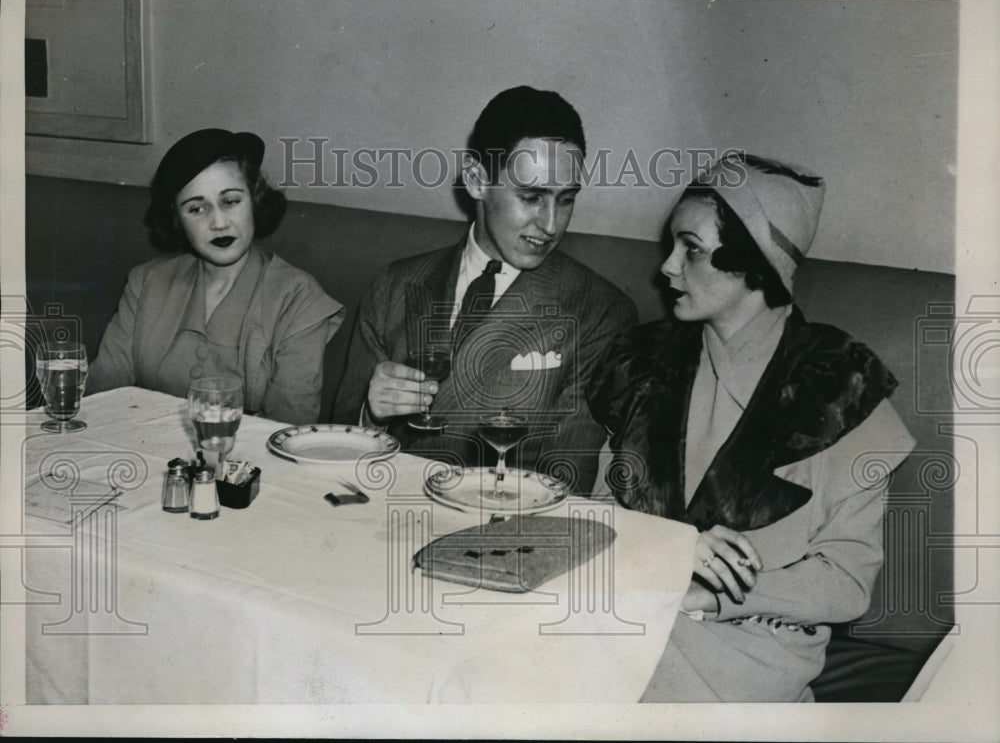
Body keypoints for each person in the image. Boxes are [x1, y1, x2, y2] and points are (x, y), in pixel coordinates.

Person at [587, 153, 915, 701]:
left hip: (749, 649)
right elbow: (598, 514)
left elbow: (847, 581)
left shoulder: (843, 386)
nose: (667, 266)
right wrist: (663, 558)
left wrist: (707, 597)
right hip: (623, 616)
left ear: (754, 263)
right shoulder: (642, 363)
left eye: (690, 248)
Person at [334, 86, 637, 495]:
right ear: (478, 181)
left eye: (565, 200)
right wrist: (371, 416)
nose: (550, 224)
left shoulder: (600, 310)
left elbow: (563, 479)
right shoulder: (395, 282)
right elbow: (339, 436)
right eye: (531, 197)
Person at [88, 128, 344, 425]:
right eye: (196, 209)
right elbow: (100, 399)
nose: (218, 223)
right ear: (176, 219)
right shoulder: (146, 282)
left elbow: (285, 429)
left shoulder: (298, 298)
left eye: (231, 201)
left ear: (255, 199)